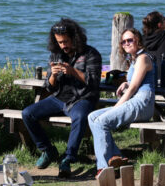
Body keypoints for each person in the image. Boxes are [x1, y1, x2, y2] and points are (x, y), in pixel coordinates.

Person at [22, 18, 102, 177]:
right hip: (59, 98)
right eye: (59, 42)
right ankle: (48, 151)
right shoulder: (55, 55)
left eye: (66, 41)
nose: (63, 45)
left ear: (75, 37)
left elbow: (93, 83)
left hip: (82, 98)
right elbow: (49, 87)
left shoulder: (91, 54)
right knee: (27, 113)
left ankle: (68, 158)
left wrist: (73, 71)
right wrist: (53, 76)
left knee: (79, 116)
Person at [87, 28, 156, 174]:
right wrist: (126, 83)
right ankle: (117, 157)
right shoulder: (134, 59)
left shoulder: (143, 58)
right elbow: (134, 83)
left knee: (101, 122)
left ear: (138, 39)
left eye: (130, 40)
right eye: (123, 41)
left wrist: (117, 106)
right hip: (137, 100)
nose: (126, 43)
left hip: (142, 102)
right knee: (92, 117)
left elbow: (133, 89)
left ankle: (103, 168)